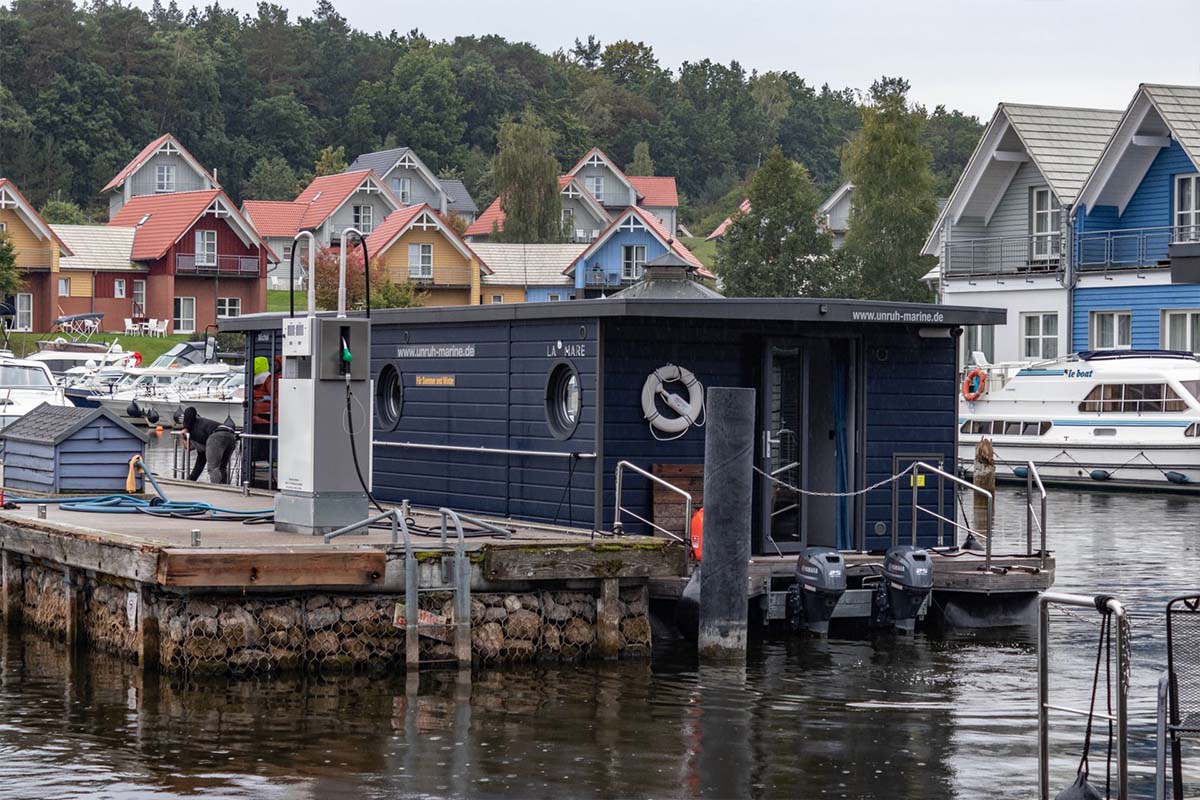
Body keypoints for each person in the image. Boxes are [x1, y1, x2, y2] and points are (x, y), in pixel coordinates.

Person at [181, 406, 237, 484]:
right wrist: (190, 481)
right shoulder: (203, 447)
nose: (190, 449)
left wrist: (185, 428)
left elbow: (190, 409)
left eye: (189, 447)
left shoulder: (190, 425)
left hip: (216, 435)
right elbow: (199, 465)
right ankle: (225, 488)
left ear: (188, 440)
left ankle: (217, 489)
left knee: (213, 468)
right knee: (222, 467)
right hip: (231, 436)